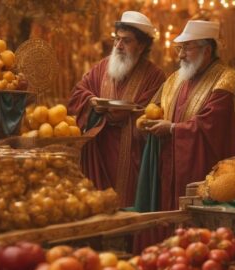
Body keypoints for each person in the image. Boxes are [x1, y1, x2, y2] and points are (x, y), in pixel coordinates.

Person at [135, 20, 235, 212]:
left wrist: (173, 128)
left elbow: (211, 124)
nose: (181, 55)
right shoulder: (176, 78)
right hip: (169, 163)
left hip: (201, 165)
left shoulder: (224, 78)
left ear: (206, 51)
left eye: (187, 48)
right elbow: (155, 107)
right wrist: (145, 121)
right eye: (179, 48)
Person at [68, 11, 166, 208]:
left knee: (128, 211)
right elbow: (78, 93)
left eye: (126, 41)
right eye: (117, 39)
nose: (118, 46)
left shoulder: (155, 76)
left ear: (142, 45)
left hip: (132, 157)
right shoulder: (102, 67)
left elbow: (153, 113)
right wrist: (92, 101)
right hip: (98, 152)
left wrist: (127, 115)